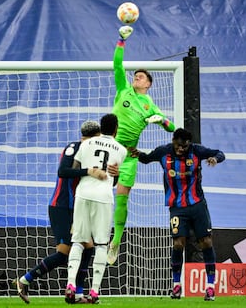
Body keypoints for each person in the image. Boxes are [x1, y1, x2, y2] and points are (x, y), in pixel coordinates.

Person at [13, 120, 118, 304]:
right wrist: (89, 171)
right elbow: (63, 171)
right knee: (65, 253)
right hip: (62, 206)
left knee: (88, 248)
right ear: (97, 136)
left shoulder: (94, 153)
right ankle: (24, 281)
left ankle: (77, 294)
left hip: (78, 206)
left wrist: (113, 175)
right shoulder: (74, 148)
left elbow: (108, 181)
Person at [107, 25, 176, 265]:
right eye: (135, 75)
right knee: (96, 190)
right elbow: (117, 65)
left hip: (129, 155)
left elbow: (173, 128)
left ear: (148, 84)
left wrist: (163, 120)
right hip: (108, 149)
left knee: (122, 197)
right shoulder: (124, 89)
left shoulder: (150, 106)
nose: (136, 77)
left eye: (141, 76)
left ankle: (115, 241)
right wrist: (121, 41)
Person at [131, 128, 225, 301]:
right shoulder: (163, 152)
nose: (182, 149)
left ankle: (211, 287)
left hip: (197, 205)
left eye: (185, 146)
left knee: (206, 242)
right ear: (173, 141)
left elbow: (220, 153)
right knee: (178, 244)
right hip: (176, 208)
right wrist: (137, 153)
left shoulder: (197, 150)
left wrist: (215, 159)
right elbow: (146, 159)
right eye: (179, 145)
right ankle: (176, 286)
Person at [65, 113, 127, 304]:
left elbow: (74, 169)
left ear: (101, 127)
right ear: (116, 129)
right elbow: (114, 179)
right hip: (103, 197)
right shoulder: (121, 150)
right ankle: (94, 291)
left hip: (83, 193)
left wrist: (89, 170)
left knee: (77, 241)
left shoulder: (86, 144)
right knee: (101, 244)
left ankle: (70, 284)